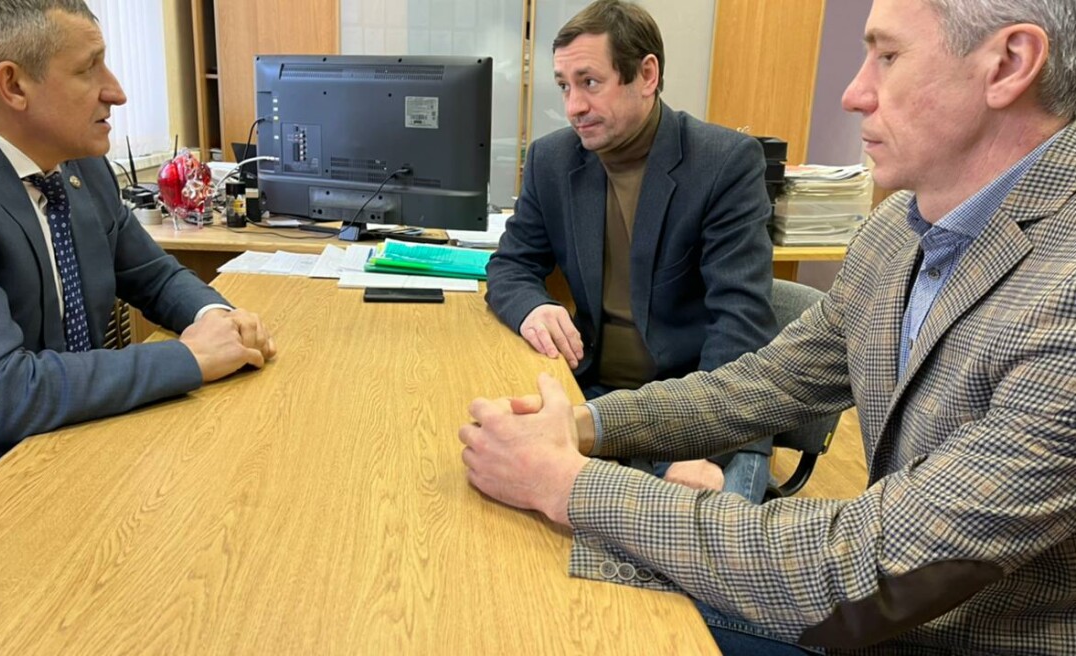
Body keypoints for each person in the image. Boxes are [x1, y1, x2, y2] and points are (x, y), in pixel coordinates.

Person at [460, 0, 1076, 652]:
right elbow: (763, 385)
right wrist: (584, 426)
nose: (853, 94)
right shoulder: (896, 233)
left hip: (941, 634)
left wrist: (568, 482)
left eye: (888, 56)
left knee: (573, 613)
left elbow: (856, 569)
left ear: (1008, 65)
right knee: (530, 577)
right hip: (880, 605)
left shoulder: (1062, 296)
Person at [0, 0, 276, 532]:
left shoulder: (77, 161)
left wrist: (219, 319)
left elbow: (155, 276)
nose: (116, 91)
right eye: (88, 68)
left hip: (75, 443)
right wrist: (191, 358)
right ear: (13, 85)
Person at [484, 0, 776, 501]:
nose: (573, 106)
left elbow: (741, 322)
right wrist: (532, 306)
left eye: (589, 82)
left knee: (701, 542)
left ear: (646, 75)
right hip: (595, 399)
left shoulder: (725, 163)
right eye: (564, 86)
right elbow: (510, 265)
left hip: (701, 406)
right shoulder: (552, 160)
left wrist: (702, 444)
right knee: (503, 499)